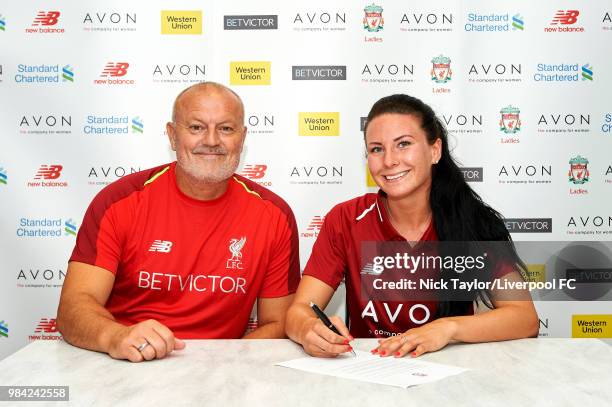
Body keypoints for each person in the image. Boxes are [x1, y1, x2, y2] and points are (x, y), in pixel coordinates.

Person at [57, 82, 300, 362]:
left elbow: (278, 323)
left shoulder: (274, 215)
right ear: (172, 136)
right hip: (126, 363)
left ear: (242, 138)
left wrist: (226, 362)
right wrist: (115, 336)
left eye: (226, 128)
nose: (211, 140)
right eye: (196, 127)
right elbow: (74, 307)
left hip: (223, 370)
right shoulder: (119, 202)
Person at [286, 94, 539, 358]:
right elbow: (299, 310)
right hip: (369, 374)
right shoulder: (346, 219)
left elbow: (524, 318)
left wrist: (447, 328)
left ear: (434, 150)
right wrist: (309, 329)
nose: (389, 161)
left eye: (403, 144)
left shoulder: (472, 221)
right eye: (376, 149)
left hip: (451, 379)